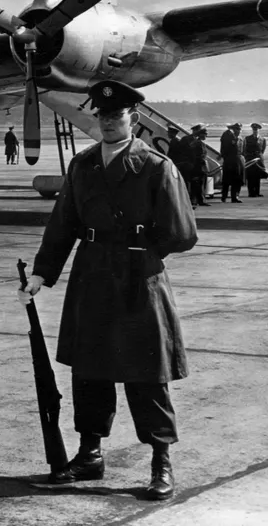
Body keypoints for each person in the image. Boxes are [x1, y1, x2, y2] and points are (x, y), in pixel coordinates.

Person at [19, 80, 196, 500]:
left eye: (117, 117)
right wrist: (42, 274)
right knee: (90, 368)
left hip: (140, 279)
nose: (109, 123)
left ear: (132, 119)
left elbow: (182, 233)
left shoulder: (156, 166)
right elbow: (62, 225)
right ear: (95, 119)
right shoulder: (83, 166)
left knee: (147, 374)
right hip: (93, 274)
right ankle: (90, 454)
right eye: (102, 117)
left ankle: (161, 461)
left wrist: (141, 254)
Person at [219, 123, 244, 203]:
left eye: (239, 129)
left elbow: (242, 150)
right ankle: (224, 196)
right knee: (227, 180)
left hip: (238, 161)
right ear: (233, 129)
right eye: (237, 129)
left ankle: (235, 196)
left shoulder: (240, 138)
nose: (239, 131)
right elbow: (223, 149)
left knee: (237, 180)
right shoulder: (227, 136)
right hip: (229, 161)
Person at [243, 123, 266, 197]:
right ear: (252, 130)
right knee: (250, 176)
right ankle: (251, 192)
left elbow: (262, 149)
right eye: (254, 129)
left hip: (259, 159)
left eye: (256, 129)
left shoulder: (263, 139)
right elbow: (245, 149)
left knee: (257, 176)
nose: (255, 131)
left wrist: (259, 156)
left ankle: (257, 192)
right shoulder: (247, 138)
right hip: (250, 158)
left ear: (258, 130)